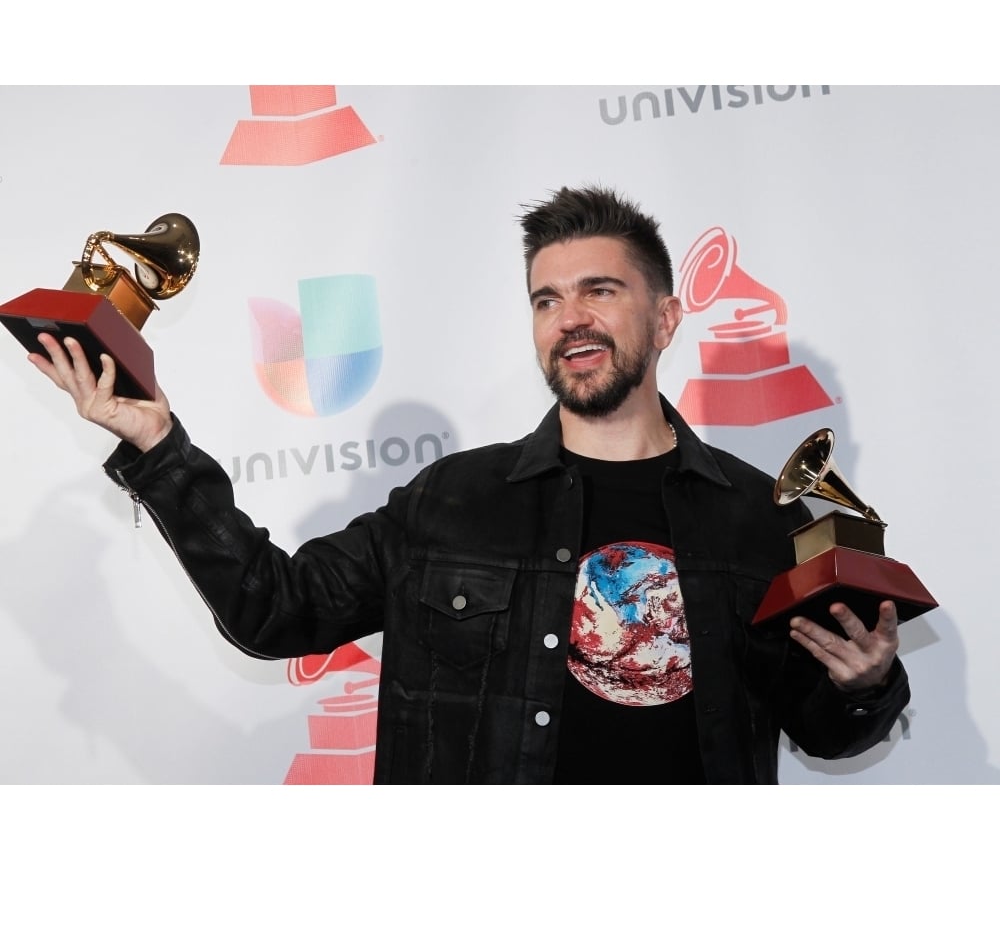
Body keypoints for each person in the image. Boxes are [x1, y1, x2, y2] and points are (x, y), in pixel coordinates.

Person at [30, 185, 909, 784]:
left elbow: (825, 731)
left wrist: (864, 683)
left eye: (600, 291)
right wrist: (156, 445)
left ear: (668, 316)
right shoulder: (451, 502)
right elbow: (276, 608)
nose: (571, 320)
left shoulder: (763, 517)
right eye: (546, 299)